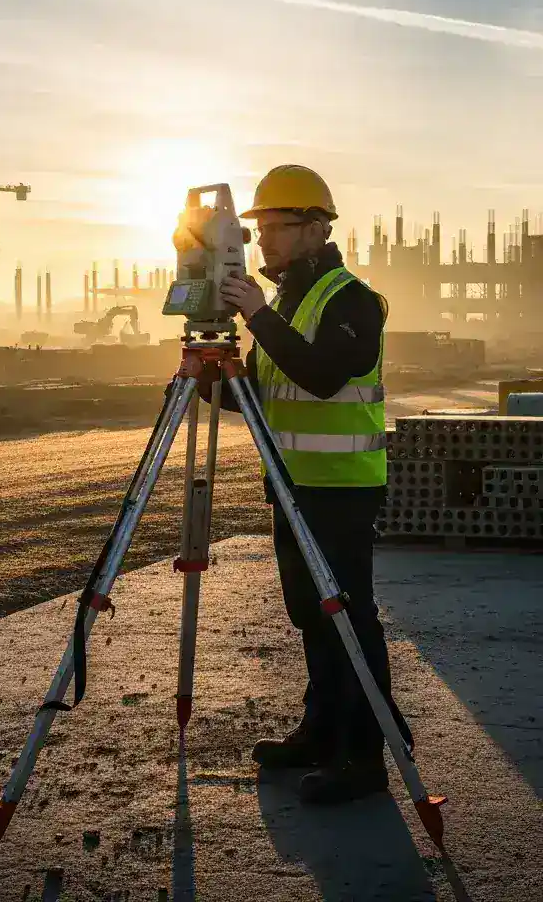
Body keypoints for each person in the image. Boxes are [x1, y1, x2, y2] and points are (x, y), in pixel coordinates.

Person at [183, 163, 408, 804]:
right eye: (259, 231)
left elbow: (322, 376)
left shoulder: (351, 300)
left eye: (279, 228)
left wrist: (255, 314)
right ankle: (320, 732)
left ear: (316, 229)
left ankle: (365, 757)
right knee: (312, 617)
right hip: (291, 486)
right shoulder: (285, 303)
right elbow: (262, 396)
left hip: (341, 489)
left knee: (349, 618)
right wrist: (208, 378)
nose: (266, 243)